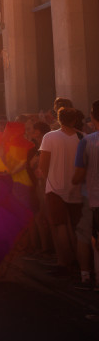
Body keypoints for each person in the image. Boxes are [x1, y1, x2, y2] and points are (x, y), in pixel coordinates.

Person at [38, 107, 85, 275]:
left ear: (58, 119)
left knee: (60, 226)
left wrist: (44, 180)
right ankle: (81, 265)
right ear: (74, 120)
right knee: (76, 227)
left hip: (54, 187)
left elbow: (43, 164)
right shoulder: (82, 137)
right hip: (76, 187)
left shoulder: (50, 137)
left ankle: (65, 262)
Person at [73, 99, 99, 289]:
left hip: (92, 196)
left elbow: (79, 174)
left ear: (93, 116)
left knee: (86, 235)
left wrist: (73, 181)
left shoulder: (87, 141)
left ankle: (86, 276)